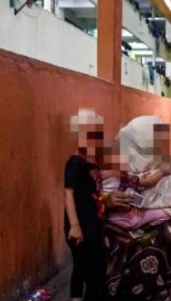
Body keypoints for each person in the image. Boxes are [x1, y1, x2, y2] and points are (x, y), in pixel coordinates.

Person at [103, 116, 171, 301]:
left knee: (160, 239)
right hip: (123, 238)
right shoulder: (119, 171)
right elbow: (89, 204)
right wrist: (107, 202)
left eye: (133, 146)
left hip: (159, 247)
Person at [64, 109, 108, 301]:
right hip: (80, 224)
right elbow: (68, 193)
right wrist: (74, 225)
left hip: (93, 223)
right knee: (84, 266)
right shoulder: (75, 163)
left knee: (92, 268)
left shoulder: (93, 162)